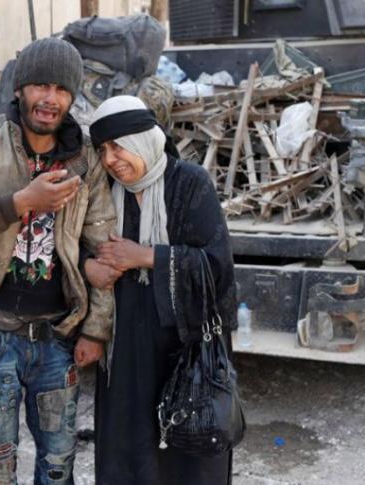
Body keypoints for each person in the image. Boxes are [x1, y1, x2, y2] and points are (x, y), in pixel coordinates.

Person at [0, 37, 116, 484]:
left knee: (58, 466)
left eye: (61, 90)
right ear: (20, 89)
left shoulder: (84, 157)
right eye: (40, 86)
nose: (50, 99)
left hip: (58, 336)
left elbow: (104, 244)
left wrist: (96, 327)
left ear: (71, 98)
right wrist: (19, 202)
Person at [86, 95, 238, 484]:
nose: (110, 159)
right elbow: (74, 251)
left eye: (118, 146)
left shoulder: (189, 182)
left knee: (187, 456)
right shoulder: (103, 190)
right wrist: (91, 268)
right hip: (125, 352)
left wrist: (147, 256)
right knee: (127, 447)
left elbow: (217, 265)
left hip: (184, 348)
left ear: (143, 139)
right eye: (103, 149)